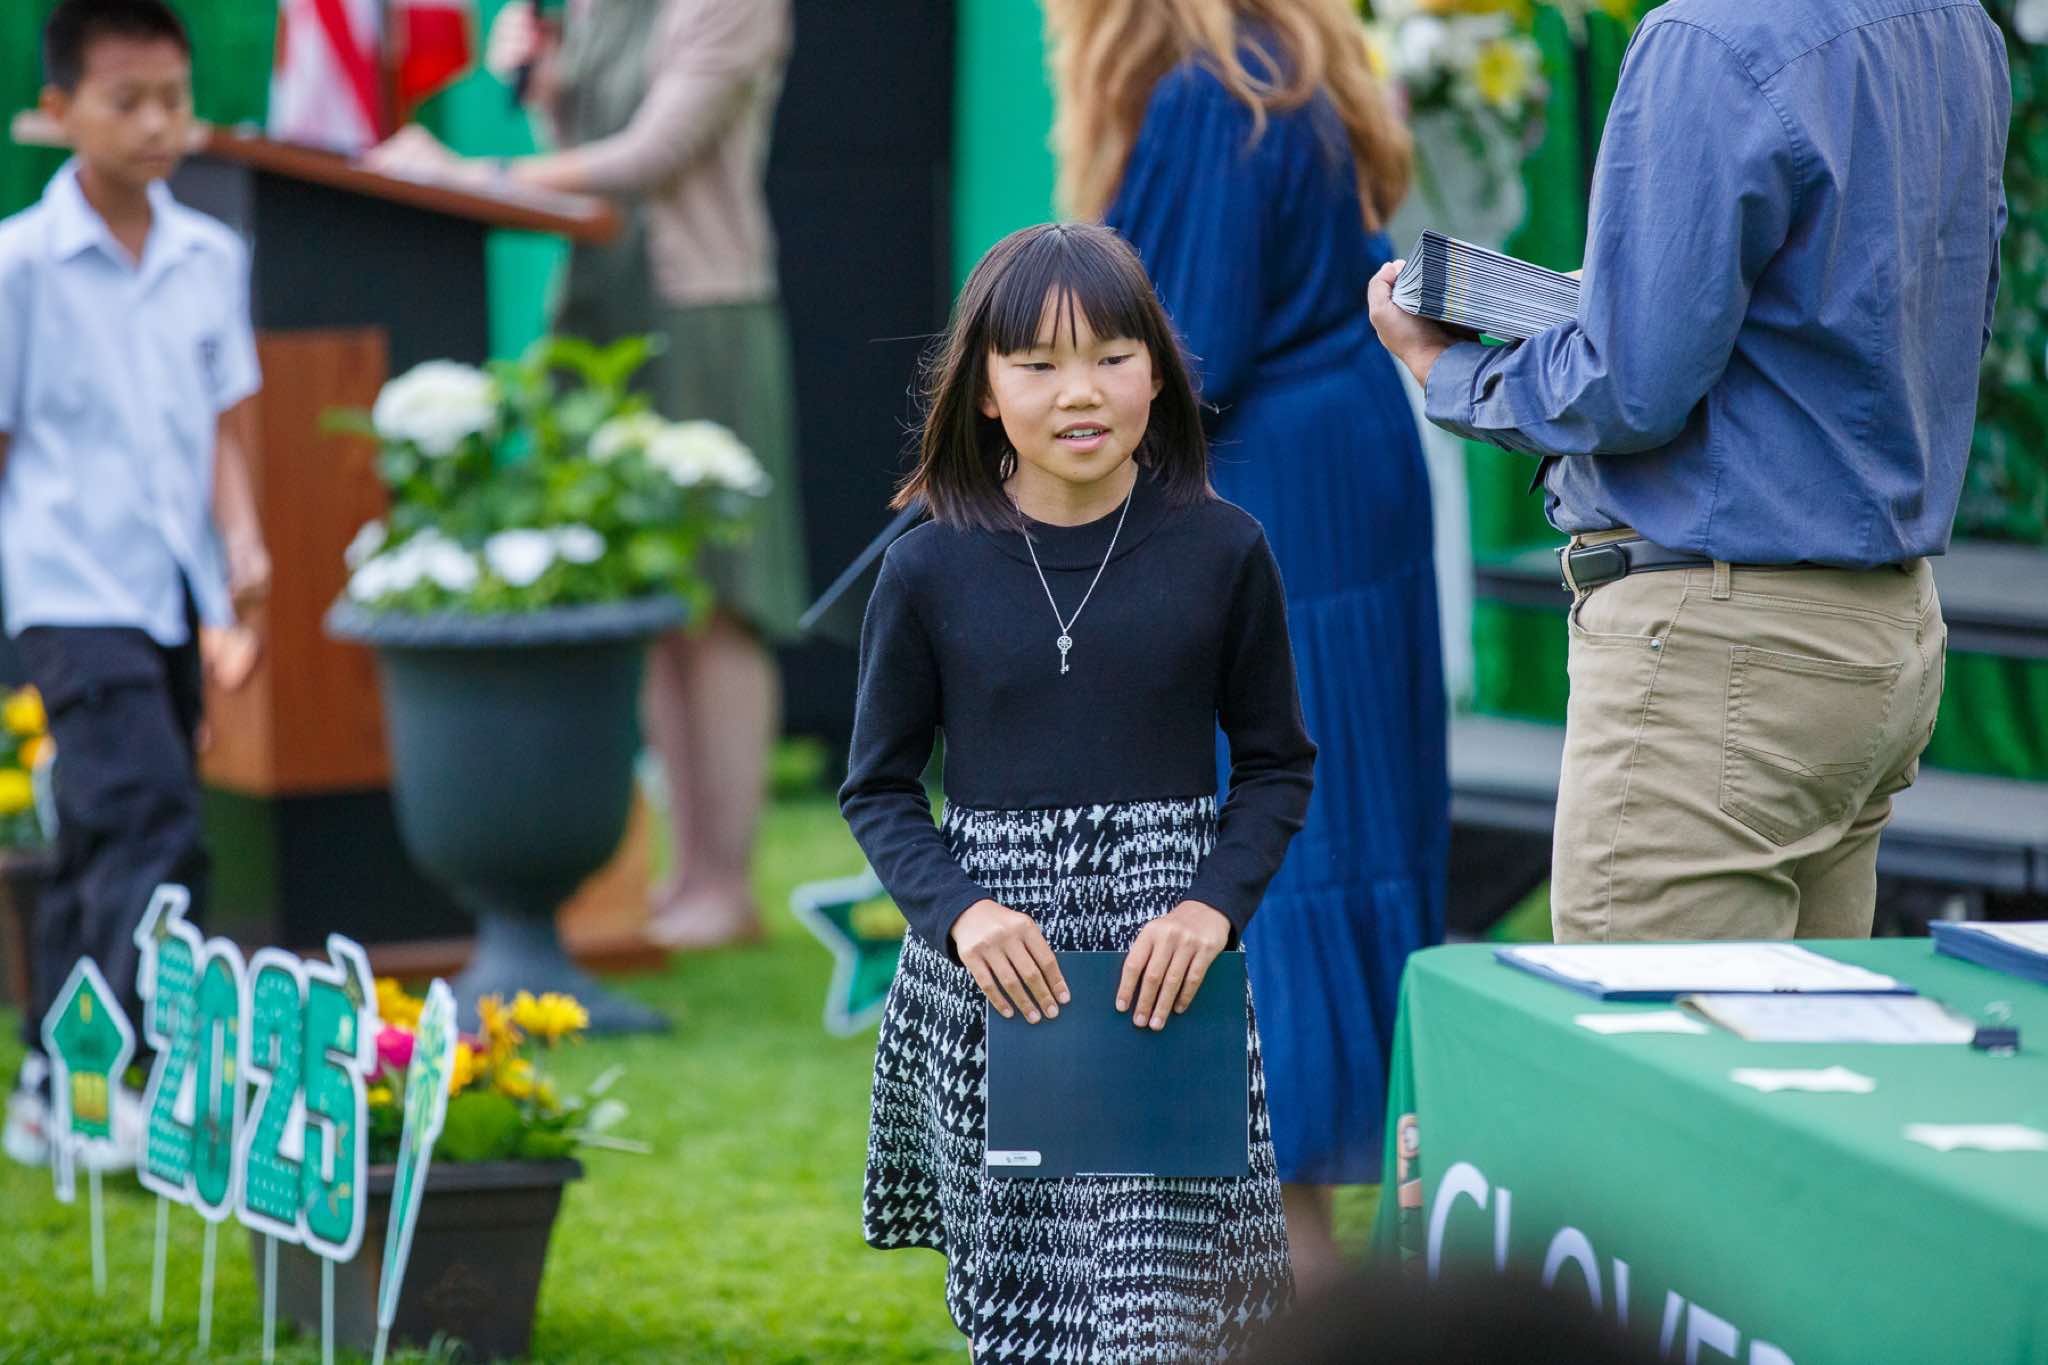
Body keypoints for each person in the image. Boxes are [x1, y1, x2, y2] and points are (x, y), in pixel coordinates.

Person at [1370, 0, 2009, 942]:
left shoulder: (1710, 35)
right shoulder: (1958, 25)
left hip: (1722, 646)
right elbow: (1932, 318)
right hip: (1882, 625)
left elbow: (1626, 384)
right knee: (1790, 1038)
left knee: (1655, 1034)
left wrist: (1445, 367)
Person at [841, 222, 1315, 1359]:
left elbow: (1275, 763)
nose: (1080, 391)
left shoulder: (1224, 549)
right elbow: (878, 787)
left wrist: (1209, 908)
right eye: (1038, 364)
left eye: (1111, 356)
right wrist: (962, 914)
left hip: (1164, 973)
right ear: (983, 390)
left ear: (1158, 371)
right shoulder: (924, 565)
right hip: (998, 974)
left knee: (1163, 1316)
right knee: (1026, 1319)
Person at [1045, 0, 1449, 1287]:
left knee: (1245, 862)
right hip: (1336, 476)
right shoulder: (1291, 66)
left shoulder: (1211, 98)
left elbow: (1175, 355)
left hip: (1263, 496)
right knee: (1322, 842)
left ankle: (1274, 1288)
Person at [370, 0, 807, 950]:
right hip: (599, 301)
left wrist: (473, 174)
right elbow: (582, 152)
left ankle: (725, 885)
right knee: (647, 605)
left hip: (701, 310)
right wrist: (545, 91)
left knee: (720, 600)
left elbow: (655, 155)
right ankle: (679, 876)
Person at [0, 0, 268, 1165]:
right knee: (151, 819)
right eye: (128, 101)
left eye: (175, 98)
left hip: (174, 590)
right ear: (59, 111)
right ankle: (112, 1087)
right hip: (67, 587)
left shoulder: (211, 255)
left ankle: (49, 1084)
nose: (159, 123)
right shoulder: (18, 264)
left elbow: (224, 427)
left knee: (106, 834)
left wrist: (242, 550)